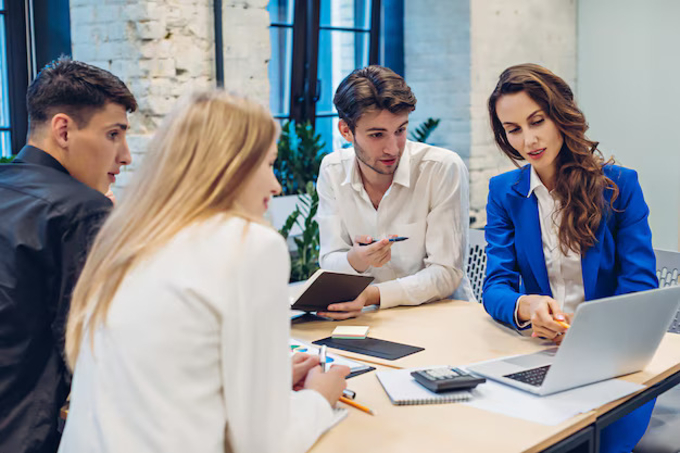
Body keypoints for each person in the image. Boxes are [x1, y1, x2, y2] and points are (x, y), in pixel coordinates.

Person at [59, 91, 350, 453]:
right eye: (268, 164)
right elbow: (263, 444)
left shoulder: (126, 241)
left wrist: (265, 382)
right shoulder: (250, 243)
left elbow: (169, 376)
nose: (275, 186)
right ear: (232, 166)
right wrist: (319, 399)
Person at [482, 63, 657, 453]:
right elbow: (494, 286)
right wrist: (524, 307)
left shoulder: (618, 186)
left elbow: (641, 288)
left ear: (560, 115)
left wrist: (587, 331)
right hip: (541, 356)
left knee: (590, 445)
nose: (528, 140)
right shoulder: (504, 193)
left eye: (536, 121)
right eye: (513, 130)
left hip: (615, 362)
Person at [0, 57, 136, 453]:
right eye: (114, 134)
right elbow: (102, 350)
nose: (125, 155)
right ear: (63, 129)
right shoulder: (82, 210)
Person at [316, 65, 474, 320]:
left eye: (400, 130)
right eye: (377, 134)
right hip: (366, 321)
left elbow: (446, 273)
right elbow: (329, 259)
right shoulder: (333, 170)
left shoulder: (441, 168)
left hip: (441, 319)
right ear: (346, 131)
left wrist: (371, 295)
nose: (392, 148)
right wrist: (356, 259)